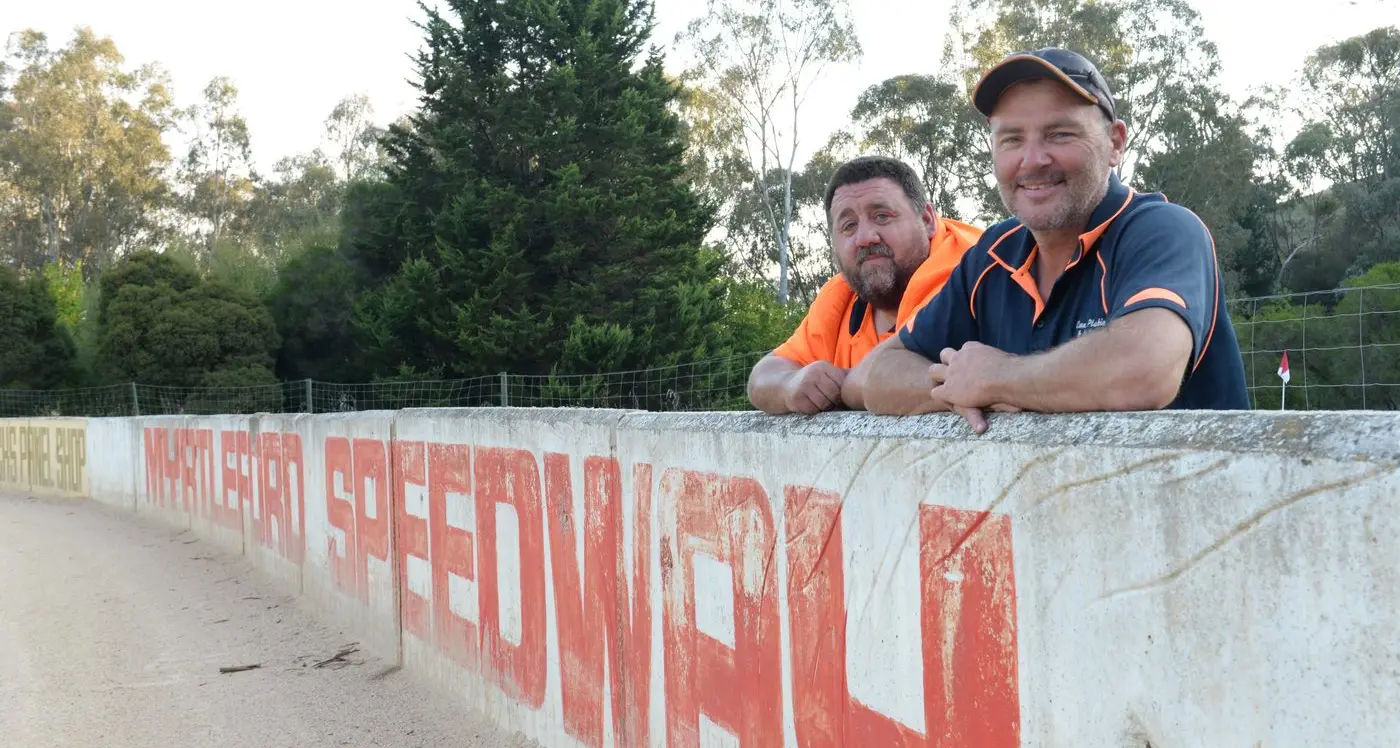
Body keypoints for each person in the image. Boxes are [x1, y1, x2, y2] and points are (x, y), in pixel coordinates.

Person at [842, 47, 1250, 432]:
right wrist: (960, 388)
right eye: (1012, 139)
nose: (1033, 160)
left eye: (1060, 134)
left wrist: (998, 379)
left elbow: (1144, 371)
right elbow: (880, 374)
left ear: (1115, 143)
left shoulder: (1163, 230)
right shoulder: (993, 254)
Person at [747, 156, 983, 414]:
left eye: (882, 216)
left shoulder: (973, 272)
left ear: (927, 220)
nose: (865, 238)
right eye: (849, 226)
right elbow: (763, 376)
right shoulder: (841, 294)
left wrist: (843, 385)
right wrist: (791, 384)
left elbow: (885, 377)